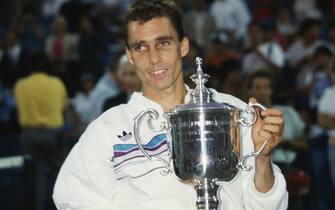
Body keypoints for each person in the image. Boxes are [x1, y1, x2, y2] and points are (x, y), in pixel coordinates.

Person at [53, 1, 288, 210]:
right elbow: (73, 200)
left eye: (163, 43)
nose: (153, 58)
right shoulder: (107, 130)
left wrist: (262, 157)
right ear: (130, 55)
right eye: (141, 47)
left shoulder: (229, 111)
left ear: (183, 46)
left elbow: (268, 205)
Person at [14, 51, 67, 210]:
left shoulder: (20, 85)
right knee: (60, 174)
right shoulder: (56, 83)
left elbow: (18, 111)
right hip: (52, 135)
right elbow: (63, 109)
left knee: (34, 176)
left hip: (29, 135)